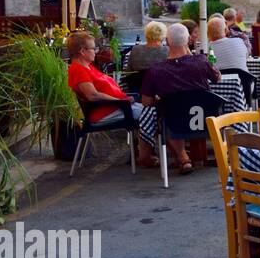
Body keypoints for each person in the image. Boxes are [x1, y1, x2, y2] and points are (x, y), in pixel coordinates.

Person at [66, 30, 160, 167]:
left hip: (116, 107)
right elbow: (92, 95)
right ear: (82, 51)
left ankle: (144, 153)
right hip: (107, 111)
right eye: (93, 48)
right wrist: (121, 101)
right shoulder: (79, 70)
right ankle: (145, 155)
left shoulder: (87, 67)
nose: (96, 51)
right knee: (154, 113)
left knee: (154, 110)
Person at [140, 23, 220, 175]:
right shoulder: (201, 61)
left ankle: (183, 158)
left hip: (174, 123)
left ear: (167, 42)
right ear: (189, 39)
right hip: (206, 120)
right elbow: (217, 77)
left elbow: (146, 102)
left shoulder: (155, 70)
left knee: (168, 113)